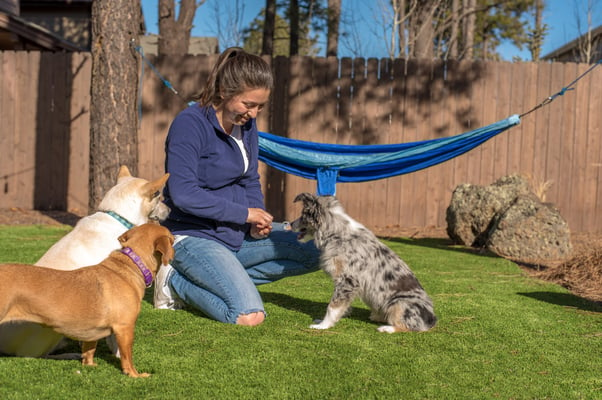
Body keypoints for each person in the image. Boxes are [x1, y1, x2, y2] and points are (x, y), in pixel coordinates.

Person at [154, 47, 320, 326]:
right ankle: (174, 283)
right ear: (223, 91)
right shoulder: (189, 124)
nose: (254, 114)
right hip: (193, 235)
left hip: (235, 234)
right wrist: (245, 214)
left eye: (260, 106)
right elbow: (183, 194)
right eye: (248, 104)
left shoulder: (247, 127)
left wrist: (258, 218)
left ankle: (222, 276)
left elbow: (249, 178)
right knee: (248, 315)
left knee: (318, 250)